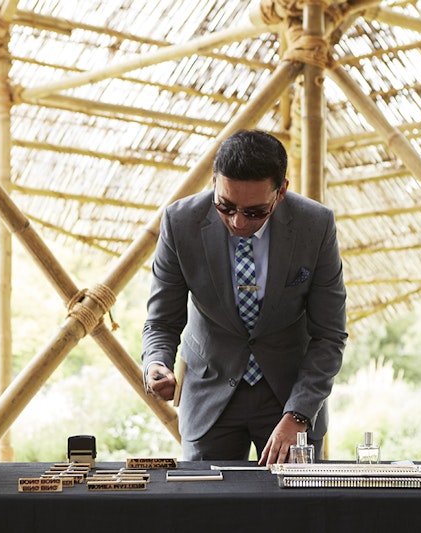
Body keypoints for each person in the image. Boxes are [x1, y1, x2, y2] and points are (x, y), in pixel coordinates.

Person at [142, 129, 347, 465]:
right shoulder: (180, 222)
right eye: (225, 206)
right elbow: (162, 320)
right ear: (214, 181)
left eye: (254, 212)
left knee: (298, 515)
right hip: (209, 397)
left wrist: (298, 415)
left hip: (290, 398)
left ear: (281, 192)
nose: (237, 222)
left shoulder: (315, 225)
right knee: (208, 516)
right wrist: (156, 363)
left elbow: (330, 335)